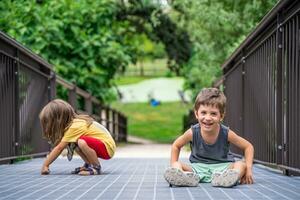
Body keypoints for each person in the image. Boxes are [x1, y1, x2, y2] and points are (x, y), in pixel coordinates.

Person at [164, 88, 254, 187]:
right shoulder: (193, 132)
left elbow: (248, 146)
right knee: (177, 164)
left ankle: (228, 179)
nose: (207, 118)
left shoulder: (226, 133)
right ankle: (181, 175)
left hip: (223, 168)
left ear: (221, 116)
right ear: (196, 114)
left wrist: (249, 169)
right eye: (203, 113)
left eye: (213, 114)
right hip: (197, 169)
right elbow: (176, 145)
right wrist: (173, 164)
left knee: (241, 165)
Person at [39, 99, 116, 175]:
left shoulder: (74, 127)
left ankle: (96, 167)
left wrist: (45, 165)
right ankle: (88, 164)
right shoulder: (72, 124)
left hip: (107, 148)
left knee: (81, 142)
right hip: (104, 146)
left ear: (58, 120)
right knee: (75, 143)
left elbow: (59, 148)